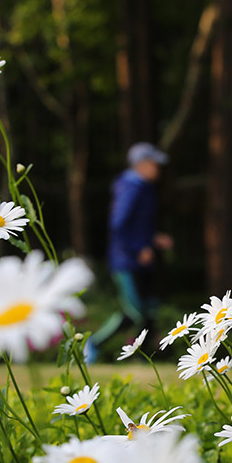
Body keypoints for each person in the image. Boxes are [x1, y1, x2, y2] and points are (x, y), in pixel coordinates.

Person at [84, 142, 172, 363]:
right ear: (141, 165)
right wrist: (139, 247)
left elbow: (136, 224)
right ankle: (93, 344)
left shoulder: (145, 188)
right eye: (154, 164)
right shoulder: (131, 187)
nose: (158, 169)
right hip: (126, 261)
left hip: (141, 260)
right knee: (134, 312)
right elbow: (118, 223)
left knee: (150, 310)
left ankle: (145, 358)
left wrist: (152, 239)